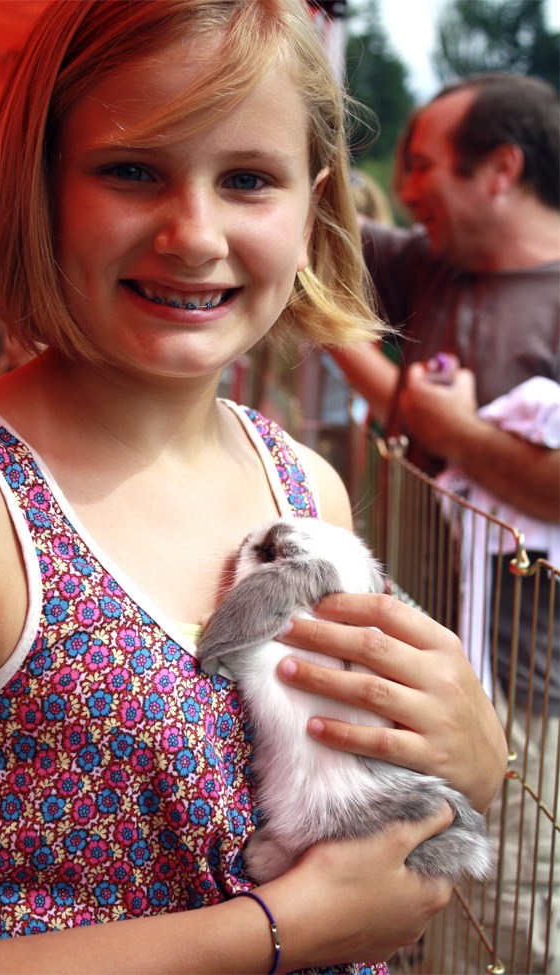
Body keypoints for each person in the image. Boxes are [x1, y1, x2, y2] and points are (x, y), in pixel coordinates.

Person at [0, 4, 507, 972]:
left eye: (247, 180)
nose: (193, 235)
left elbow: (351, 810)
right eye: (131, 170)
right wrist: (275, 932)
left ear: (310, 207)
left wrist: (471, 761)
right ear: (39, 185)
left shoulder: (304, 489)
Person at [330, 73, 559, 973]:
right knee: (431, 907)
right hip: (420, 672)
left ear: (500, 168)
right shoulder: (429, 263)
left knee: (507, 922)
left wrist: (449, 428)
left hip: (531, 700)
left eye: (423, 165)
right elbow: (313, 222)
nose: (404, 186)